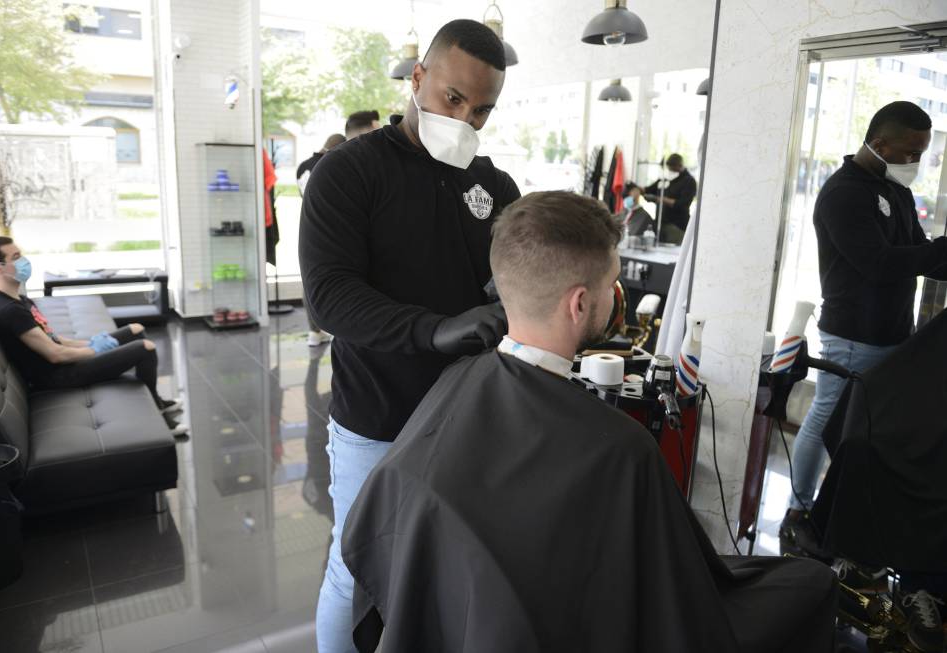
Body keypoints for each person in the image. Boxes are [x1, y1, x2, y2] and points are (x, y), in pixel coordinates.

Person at [342, 191, 838, 653]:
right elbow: (676, 598)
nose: (613, 294)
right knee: (810, 586)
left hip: (465, 621)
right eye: (610, 284)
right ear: (580, 303)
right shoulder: (621, 447)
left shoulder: (457, 378)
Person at [299, 19, 519, 653]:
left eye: (482, 111)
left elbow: (517, 273)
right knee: (356, 569)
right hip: (379, 417)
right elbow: (331, 296)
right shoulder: (349, 175)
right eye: (454, 100)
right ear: (417, 78)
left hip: (470, 418)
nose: (466, 120)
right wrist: (435, 330)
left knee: (452, 563)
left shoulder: (493, 185)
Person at [777, 100, 947, 652]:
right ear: (880, 140)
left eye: (921, 154)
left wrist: (936, 255)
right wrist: (936, 255)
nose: (915, 161)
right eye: (911, 152)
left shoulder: (895, 191)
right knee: (833, 420)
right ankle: (802, 506)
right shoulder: (842, 194)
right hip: (854, 334)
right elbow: (876, 263)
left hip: (892, 333)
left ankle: (845, 520)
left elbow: (914, 251)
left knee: (865, 434)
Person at [0, 237, 186, 437]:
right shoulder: (8, 310)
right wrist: (95, 350)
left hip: (63, 365)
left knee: (135, 330)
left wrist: (91, 342)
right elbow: (55, 354)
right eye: (16, 257)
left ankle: (156, 398)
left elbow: (55, 339)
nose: (24, 261)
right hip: (57, 376)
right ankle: (159, 418)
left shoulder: (19, 300)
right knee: (145, 348)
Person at [296, 133, 347, 346]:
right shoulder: (333, 165)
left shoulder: (302, 166)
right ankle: (337, 329)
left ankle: (314, 331)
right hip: (331, 227)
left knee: (310, 280)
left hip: (307, 223)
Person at [643, 153, 697, 244]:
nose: (669, 171)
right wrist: (634, 187)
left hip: (677, 227)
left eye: (672, 169)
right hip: (661, 225)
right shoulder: (665, 179)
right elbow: (648, 190)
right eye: (668, 168)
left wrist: (659, 199)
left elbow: (682, 204)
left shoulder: (689, 181)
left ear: (679, 166)